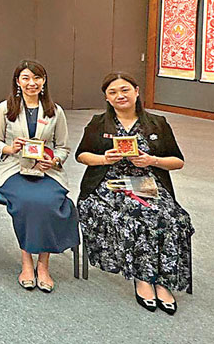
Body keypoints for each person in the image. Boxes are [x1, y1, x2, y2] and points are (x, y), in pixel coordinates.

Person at [76, 72, 193, 315]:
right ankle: (143, 278)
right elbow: (82, 155)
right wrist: (104, 159)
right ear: (107, 98)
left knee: (173, 218)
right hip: (108, 185)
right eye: (113, 92)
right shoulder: (99, 123)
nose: (120, 96)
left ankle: (163, 280)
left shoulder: (157, 123)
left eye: (125, 90)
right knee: (137, 217)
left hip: (148, 183)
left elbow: (177, 161)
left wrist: (153, 160)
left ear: (137, 91)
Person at [0, 60, 79, 293]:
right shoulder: (5, 109)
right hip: (13, 169)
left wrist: (54, 160)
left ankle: (44, 265)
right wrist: (10, 148)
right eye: (26, 78)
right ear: (17, 82)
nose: (31, 83)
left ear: (44, 81)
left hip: (46, 171)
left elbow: (63, 147)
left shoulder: (55, 111)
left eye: (37, 78)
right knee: (28, 202)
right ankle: (27, 262)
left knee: (49, 202)